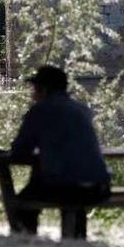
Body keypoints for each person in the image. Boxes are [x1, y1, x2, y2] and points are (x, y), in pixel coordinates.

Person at [10, 65, 111, 236]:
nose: (32, 94)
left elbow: (20, 151)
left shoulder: (40, 111)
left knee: (21, 204)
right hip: (99, 188)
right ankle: (77, 241)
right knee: (73, 187)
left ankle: (29, 245)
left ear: (44, 89)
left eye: (34, 89)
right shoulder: (82, 110)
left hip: (64, 187)